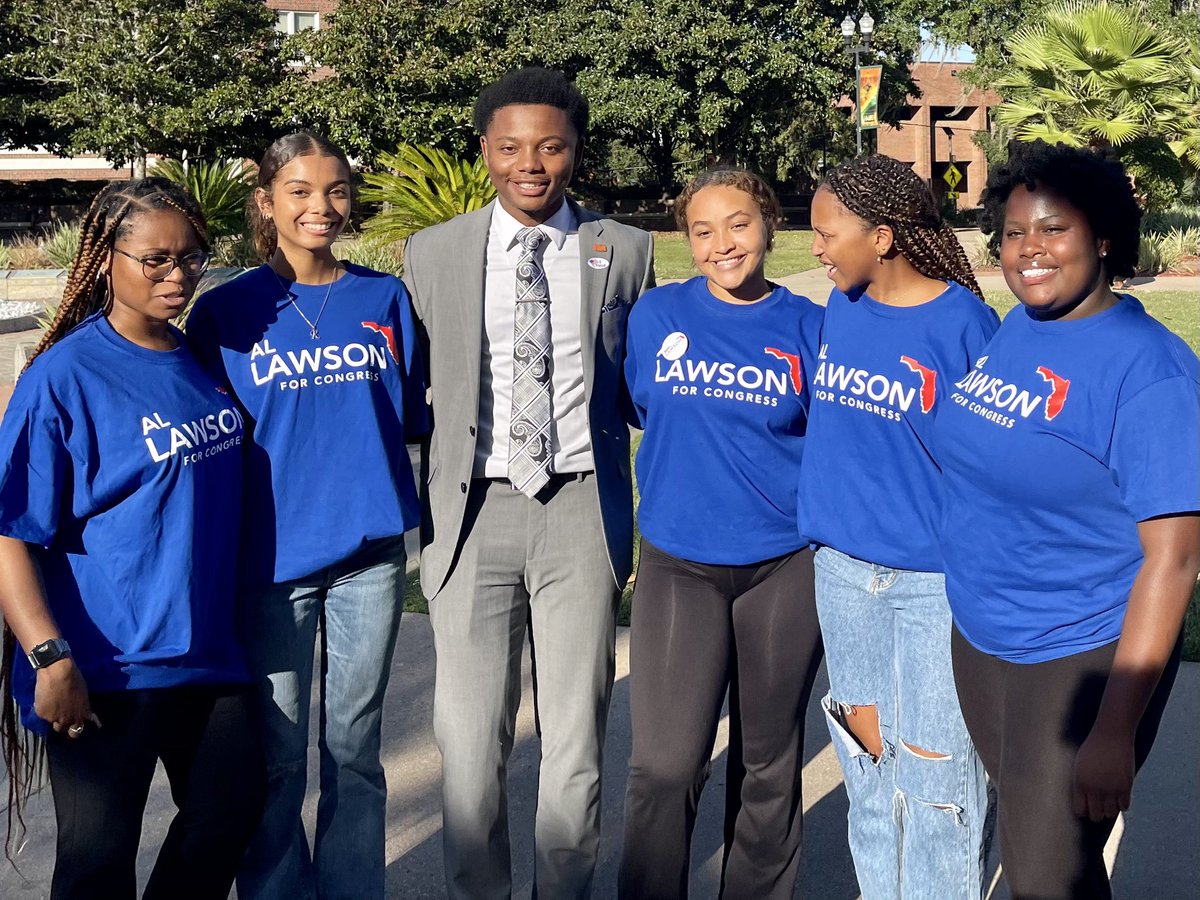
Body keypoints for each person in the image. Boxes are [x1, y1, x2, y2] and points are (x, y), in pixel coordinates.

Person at [402, 67, 654, 899]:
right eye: (510, 147)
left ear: (576, 152)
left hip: (581, 508)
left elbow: (642, 380)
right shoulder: (433, 251)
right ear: (484, 151)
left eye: (550, 145)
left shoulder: (624, 250)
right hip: (472, 513)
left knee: (576, 738)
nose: (530, 163)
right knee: (470, 742)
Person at [937, 140, 1200, 899]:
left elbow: (1175, 560)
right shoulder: (1019, 328)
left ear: (1104, 237)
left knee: (1044, 876)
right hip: (985, 637)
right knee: (1046, 861)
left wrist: (1114, 730)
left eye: (1053, 230)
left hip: (1081, 650)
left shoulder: (1150, 371)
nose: (1030, 252)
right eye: (1015, 233)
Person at [0, 178, 264, 899]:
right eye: (155, 260)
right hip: (103, 669)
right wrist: (50, 658)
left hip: (206, 656)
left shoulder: (197, 360)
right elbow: (9, 534)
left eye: (192, 258)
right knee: (96, 866)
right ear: (105, 259)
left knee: (228, 811)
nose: (178, 275)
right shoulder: (64, 377)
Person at [186, 132, 427, 900]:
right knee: (280, 753)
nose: (319, 206)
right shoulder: (223, 314)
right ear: (266, 201)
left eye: (334, 190)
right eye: (299, 191)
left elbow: (411, 412)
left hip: (371, 556)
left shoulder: (383, 299)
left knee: (355, 748)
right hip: (271, 563)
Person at [618, 167, 825, 899]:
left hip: (783, 565)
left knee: (768, 761)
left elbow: (830, 441)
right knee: (665, 764)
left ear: (769, 225)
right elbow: (640, 406)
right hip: (680, 564)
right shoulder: (654, 318)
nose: (722, 244)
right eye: (702, 231)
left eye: (737, 224)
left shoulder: (809, 326)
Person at [796, 154, 997, 898]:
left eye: (827, 233)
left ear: (882, 237)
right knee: (868, 770)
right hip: (844, 580)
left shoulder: (966, 324)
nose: (815, 248)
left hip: (935, 590)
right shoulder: (838, 309)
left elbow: (993, 466)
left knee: (939, 781)